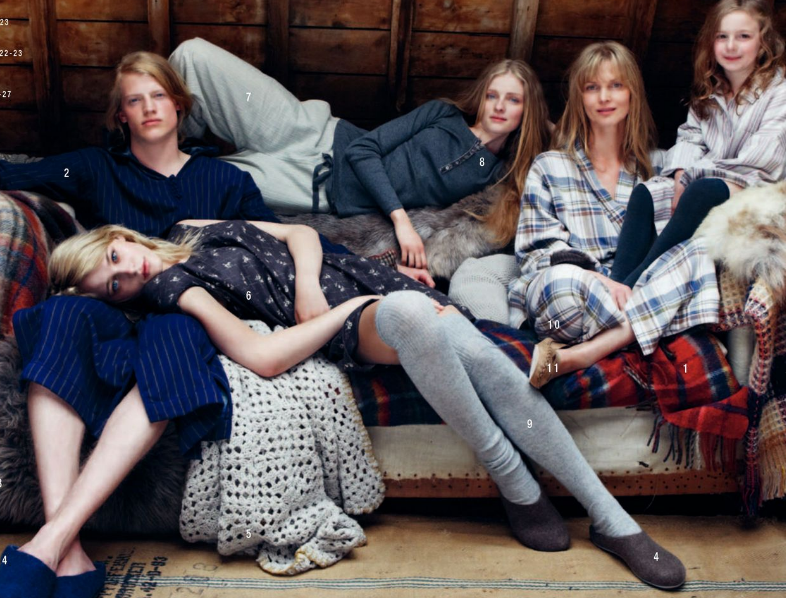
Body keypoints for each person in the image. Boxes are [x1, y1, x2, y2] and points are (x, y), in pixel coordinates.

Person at [46, 219, 687, 590]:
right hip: (351, 320)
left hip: (358, 278)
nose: (129, 272)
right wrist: (346, 307)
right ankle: (554, 495)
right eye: (115, 285)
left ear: (119, 236)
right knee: (414, 315)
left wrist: (309, 279)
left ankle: (577, 508)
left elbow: (299, 231)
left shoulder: (192, 229)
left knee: (481, 356)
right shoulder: (172, 289)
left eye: (116, 257)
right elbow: (261, 357)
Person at [0, 51, 278, 598]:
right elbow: (12, 173)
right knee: (60, 314)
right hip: (112, 306)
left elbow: (269, 245)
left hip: (188, 309)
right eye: (134, 100)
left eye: (158, 96)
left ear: (179, 104)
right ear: (120, 115)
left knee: (175, 334)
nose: (149, 108)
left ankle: (46, 549)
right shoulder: (94, 169)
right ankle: (66, 550)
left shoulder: (226, 180)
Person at [531, 0, 786, 381]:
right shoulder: (709, 94)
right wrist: (682, 171)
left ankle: (632, 286)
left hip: (768, 190)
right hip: (719, 186)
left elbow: (759, 160)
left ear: (763, 43)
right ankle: (618, 284)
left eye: (743, 36)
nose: (731, 46)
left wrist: (693, 177)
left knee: (702, 191)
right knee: (648, 193)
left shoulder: (778, 93)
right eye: (722, 37)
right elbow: (688, 139)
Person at [169, 38, 550, 269]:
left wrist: (542, 129)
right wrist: (401, 222)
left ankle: (169, 159)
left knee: (185, 181)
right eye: (492, 95)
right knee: (194, 57)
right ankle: (172, 136)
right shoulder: (443, 114)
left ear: (527, 110)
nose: (499, 106)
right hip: (310, 131)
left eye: (513, 100)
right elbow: (365, 150)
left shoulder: (490, 172)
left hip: (311, 188)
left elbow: (557, 143)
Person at [509, 41, 719, 390]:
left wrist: (628, 287)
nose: (604, 97)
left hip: (634, 291)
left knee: (699, 253)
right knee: (561, 285)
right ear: (579, 98)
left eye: (616, 85)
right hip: (574, 293)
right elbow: (535, 254)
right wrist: (599, 279)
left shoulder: (658, 167)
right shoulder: (549, 166)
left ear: (632, 94)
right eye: (592, 87)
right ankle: (636, 327)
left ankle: (585, 353)